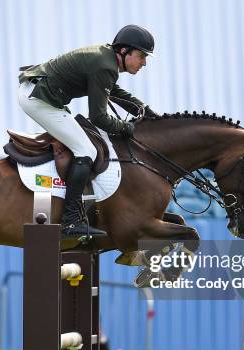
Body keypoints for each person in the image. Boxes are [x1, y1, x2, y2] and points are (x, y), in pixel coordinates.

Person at [18, 25, 160, 237]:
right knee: (87, 151)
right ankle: (71, 221)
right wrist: (125, 128)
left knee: (85, 144)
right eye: (141, 56)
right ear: (124, 51)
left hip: (41, 94)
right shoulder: (105, 65)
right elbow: (98, 117)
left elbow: (114, 91)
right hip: (39, 99)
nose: (144, 63)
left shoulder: (106, 59)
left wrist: (145, 112)